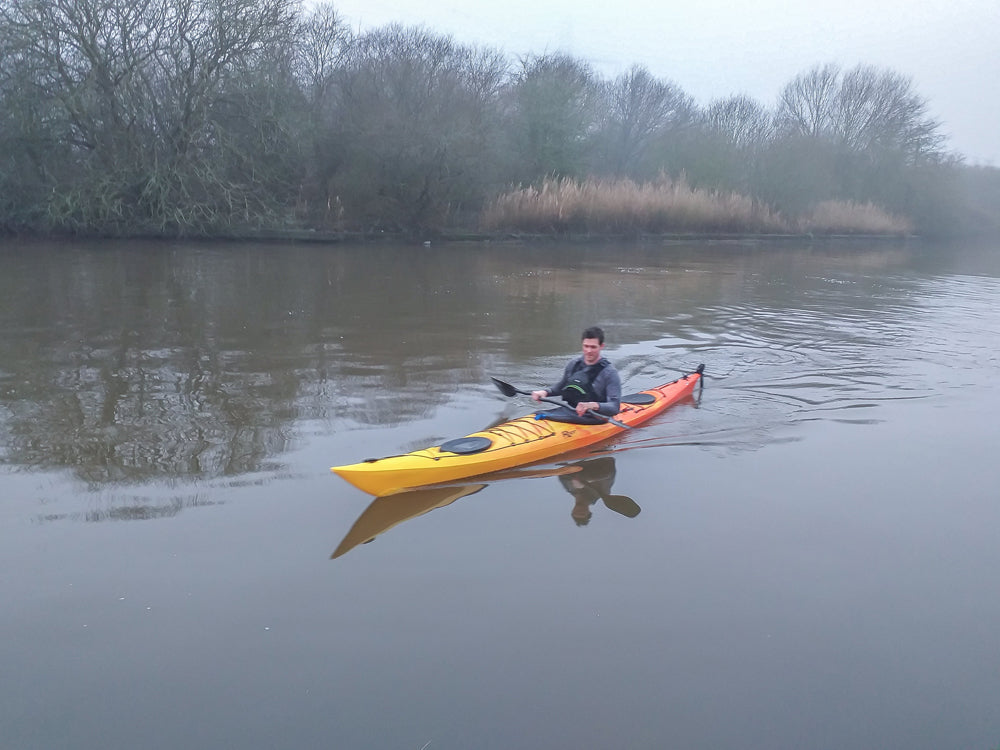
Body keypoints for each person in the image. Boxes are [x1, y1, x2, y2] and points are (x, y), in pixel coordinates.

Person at [531, 326, 621, 423]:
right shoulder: (574, 364)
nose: (589, 351)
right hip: (570, 411)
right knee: (538, 413)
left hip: (594, 418)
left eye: (593, 347)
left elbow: (614, 407)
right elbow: (561, 387)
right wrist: (545, 392)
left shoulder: (609, 373)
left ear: (601, 346)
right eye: (586, 346)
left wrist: (592, 405)